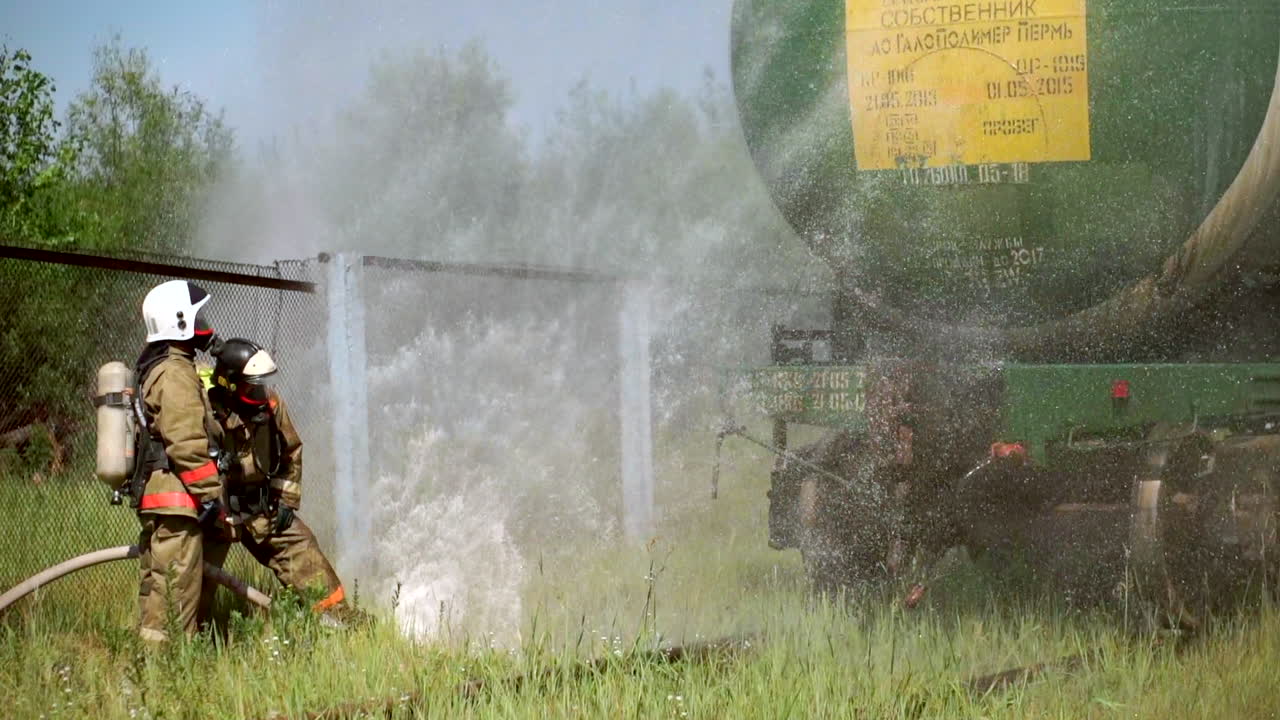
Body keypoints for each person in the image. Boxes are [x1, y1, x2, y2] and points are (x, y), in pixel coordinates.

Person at [201, 337, 348, 620]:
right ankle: (192, 638)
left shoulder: (270, 404)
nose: (257, 389)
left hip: (261, 509)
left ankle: (342, 623)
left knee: (305, 555)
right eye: (249, 383)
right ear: (229, 383)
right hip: (218, 515)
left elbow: (292, 450)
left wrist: (286, 502)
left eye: (258, 382)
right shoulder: (206, 413)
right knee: (196, 579)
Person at [133, 279, 228, 643]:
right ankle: (169, 670)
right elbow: (187, 442)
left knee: (160, 588)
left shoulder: (158, 367)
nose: (205, 324)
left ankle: (160, 667)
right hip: (180, 499)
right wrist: (209, 497)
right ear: (180, 321)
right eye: (197, 315)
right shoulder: (174, 372)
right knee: (174, 594)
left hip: (166, 497)